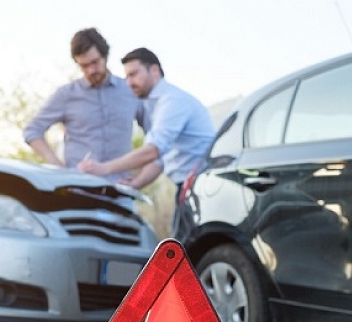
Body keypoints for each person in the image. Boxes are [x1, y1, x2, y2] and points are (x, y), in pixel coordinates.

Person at [78, 47, 215, 198]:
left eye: (133, 74)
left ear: (154, 70)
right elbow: (161, 159)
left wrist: (104, 168)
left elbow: (152, 151)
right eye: (126, 77)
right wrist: (134, 183)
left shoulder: (172, 101)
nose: (129, 83)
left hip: (203, 186)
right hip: (190, 186)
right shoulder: (156, 105)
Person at [23, 28, 142, 181]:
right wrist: (59, 169)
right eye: (84, 66)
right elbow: (32, 131)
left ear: (105, 56)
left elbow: (156, 138)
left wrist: (138, 179)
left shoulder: (130, 90)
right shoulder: (66, 94)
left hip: (121, 189)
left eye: (95, 62)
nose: (91, 70)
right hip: (78, 188)